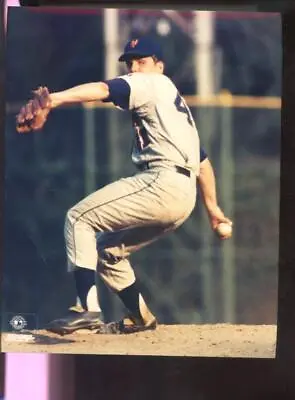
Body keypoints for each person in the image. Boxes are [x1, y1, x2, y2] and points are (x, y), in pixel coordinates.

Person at [25, 36, 233, 335]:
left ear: (159, 66)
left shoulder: (153, 84)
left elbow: (103, 89)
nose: (135, 67)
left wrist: (53, 99)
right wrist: (213, 209)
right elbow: (203, 163)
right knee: (109, 251)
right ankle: (141, 318)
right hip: (183, 199)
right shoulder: (175, 107)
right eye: (130, 62)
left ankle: (87, 309)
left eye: (142, 61)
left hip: (162, 183)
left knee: (79, 218)